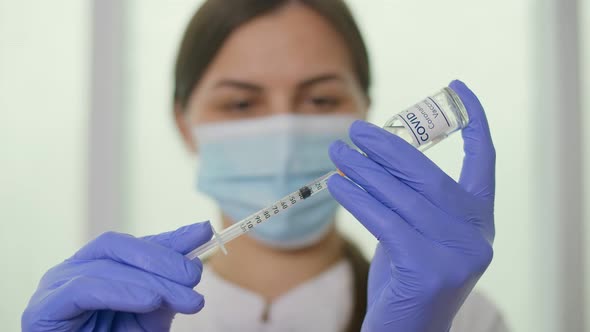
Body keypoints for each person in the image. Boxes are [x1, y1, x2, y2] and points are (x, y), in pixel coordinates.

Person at [22, 0, 509, 331]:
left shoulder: (456, 317)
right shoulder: (120, 313)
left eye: (320, 98)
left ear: (364, 111)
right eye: (240, 105)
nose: (285, 130)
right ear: (184, 122)